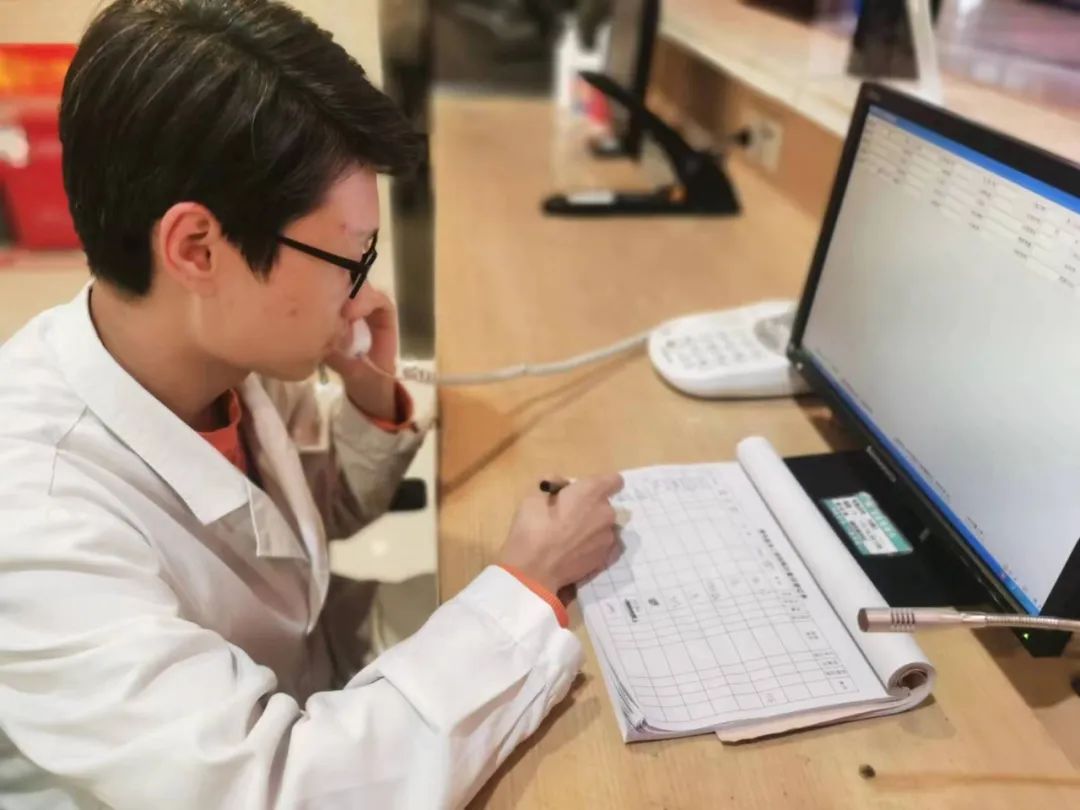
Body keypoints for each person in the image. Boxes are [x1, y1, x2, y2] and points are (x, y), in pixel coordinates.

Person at [0, 1, 623, 807]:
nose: (361, 292)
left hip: (315, 686)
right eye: (348, 257)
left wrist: (368, 394)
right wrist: (525, 588)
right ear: (197, 248)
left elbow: (300, 526)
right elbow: (276, 788)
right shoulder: (39, 522)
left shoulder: (213, 355)